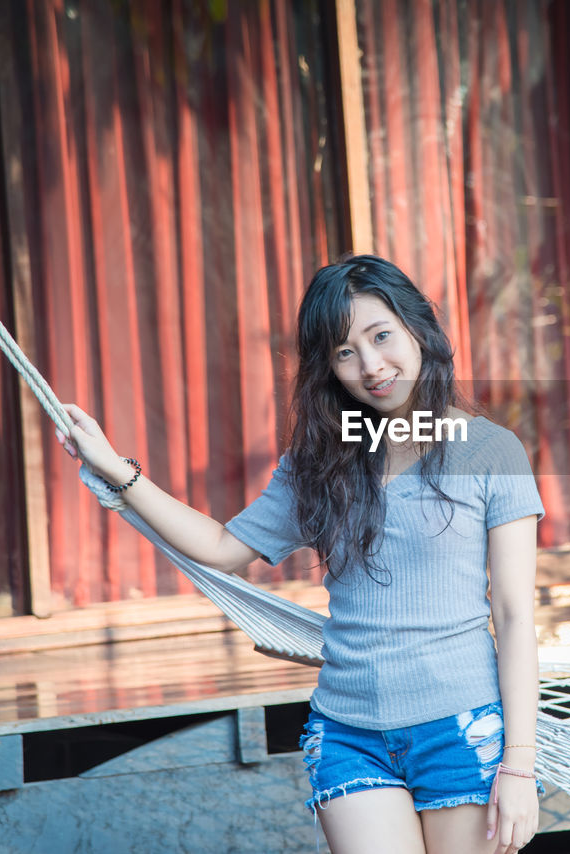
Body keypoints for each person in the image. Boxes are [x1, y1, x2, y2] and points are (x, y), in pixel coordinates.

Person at [56, 255, 545, 854]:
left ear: (420, 329)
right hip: (349, 732)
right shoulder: (321, 462)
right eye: (344, 352)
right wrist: (117, 471)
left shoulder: (492, 452)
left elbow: (517, 615)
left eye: (381, 336)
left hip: (462, 729)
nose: (370, 366)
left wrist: (520, 765)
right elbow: (223, 547)